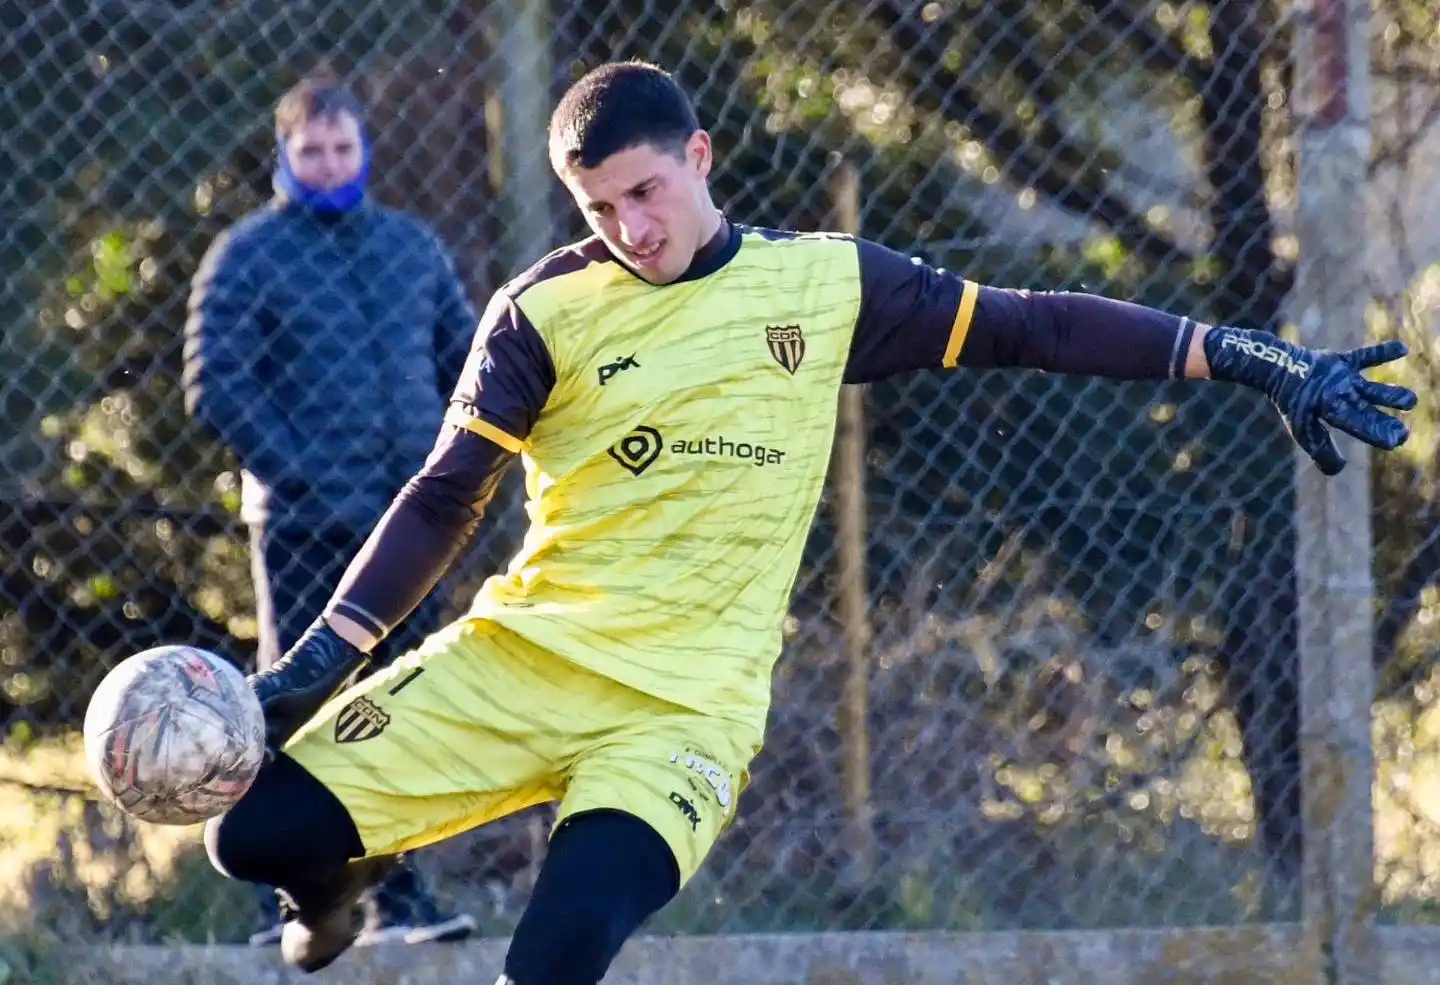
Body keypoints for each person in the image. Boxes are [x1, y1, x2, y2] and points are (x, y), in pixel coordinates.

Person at [200, 60, 1416, 983]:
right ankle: (342, 880)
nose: (632, 228)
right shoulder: (542, 313)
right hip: (526, 659)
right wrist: (324, 656)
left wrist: (1251, 359)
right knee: (250, 836)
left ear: (701, 156)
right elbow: (444, 495)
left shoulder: (826, 286)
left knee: (553, 955)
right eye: (600, 206)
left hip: (684, 711)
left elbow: (1035, 324)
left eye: (647, 190)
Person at [182, 73, 477, 949]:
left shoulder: (412, 249)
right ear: (285, 155)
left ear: (364, 150)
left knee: (407, 698)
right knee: (293, 704)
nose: (329, 163)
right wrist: (299, 472)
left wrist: (450, 466)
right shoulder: (245, 255)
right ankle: (282, 902)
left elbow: (467, 356)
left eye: (343, 148)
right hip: (305, 524)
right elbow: (215, 384)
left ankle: (400, 897)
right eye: (312, 151)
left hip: (409, 525)